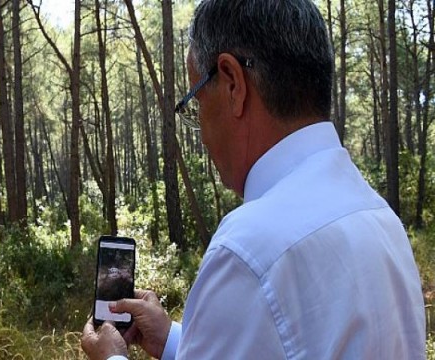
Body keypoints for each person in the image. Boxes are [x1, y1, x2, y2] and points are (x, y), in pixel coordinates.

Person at [81, 0, 427, 359]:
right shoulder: (380, 218)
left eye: (197, 101)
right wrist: (171, 339)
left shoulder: (248, 251)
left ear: (232, 83)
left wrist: (112, 357)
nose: (200, 133)